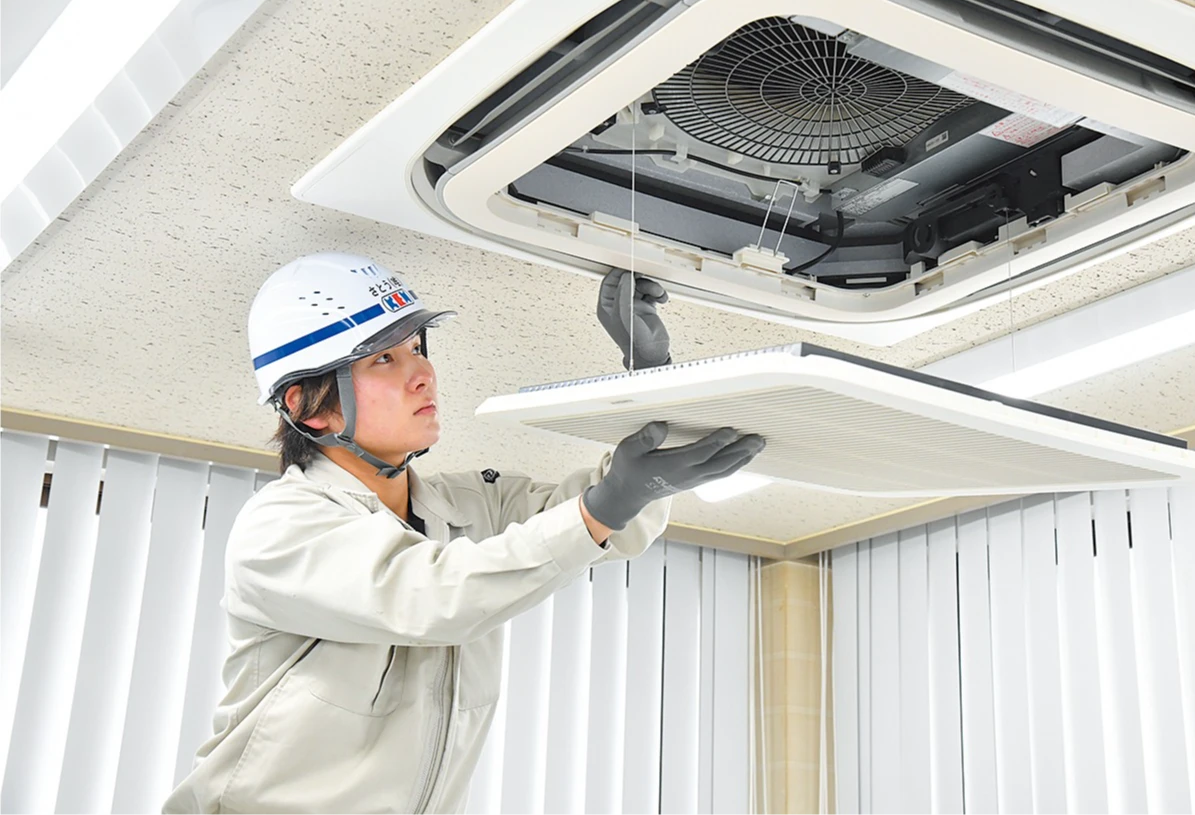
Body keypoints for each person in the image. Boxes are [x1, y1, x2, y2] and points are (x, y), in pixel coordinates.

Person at [162, 253, 765, 814]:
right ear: (309, 406)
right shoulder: (282, 526)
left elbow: (608, 524)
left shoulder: (468, 507)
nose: (423, 372)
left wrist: (654, 382)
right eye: (383, 359)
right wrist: (605, 506)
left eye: (415, 348)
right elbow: (433, 597)